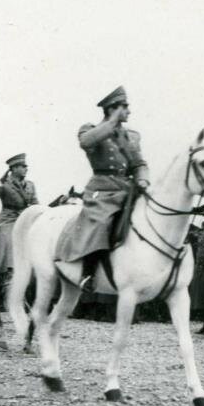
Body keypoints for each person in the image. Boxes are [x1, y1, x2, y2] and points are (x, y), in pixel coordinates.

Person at [55, 86, 150, 290]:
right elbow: (86, 142)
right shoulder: (90, 129)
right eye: (124, 107)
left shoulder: (131, 136)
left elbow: (139, 163)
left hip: (129, 189)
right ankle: (87, 273)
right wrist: (112, 122)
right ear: (112, 109)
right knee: (101, 222)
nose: (129, 112)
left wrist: (143, 180)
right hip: (103, 190)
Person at [0, 153, 39, 294]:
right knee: (11, 238)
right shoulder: (4, 183)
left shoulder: (30, 185)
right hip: (8, 219)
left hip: (26, 218)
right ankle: (9, 272)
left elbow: (35, 203)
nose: (26, 169)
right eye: (23, 166)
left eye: (25, 166)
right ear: (14, 168)